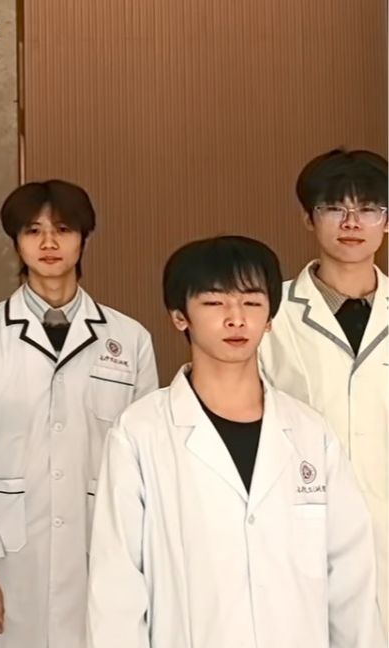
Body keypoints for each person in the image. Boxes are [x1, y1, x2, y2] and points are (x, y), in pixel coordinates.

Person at [88, 236, 383, 647]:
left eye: (251, 302)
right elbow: (116, 588)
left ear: (270, 317)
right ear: (180, 316)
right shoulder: (140, 433)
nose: (236, 318)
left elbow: (350, 581)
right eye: (214, 302)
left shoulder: (312, 434)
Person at [0, 181, 159, 647]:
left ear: (84, 237)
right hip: (3, 557)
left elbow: (146, 464)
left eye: (62, 229)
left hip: (98, 553)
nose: (48, 243)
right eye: (33, 231)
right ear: (15, 242)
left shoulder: (130, 340)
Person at [260, 148, 388, 633]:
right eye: (335, 207)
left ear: (387, 221)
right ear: (308, 219)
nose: (351, 222)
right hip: (299, 527)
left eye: (368, 208)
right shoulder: (269, 315)